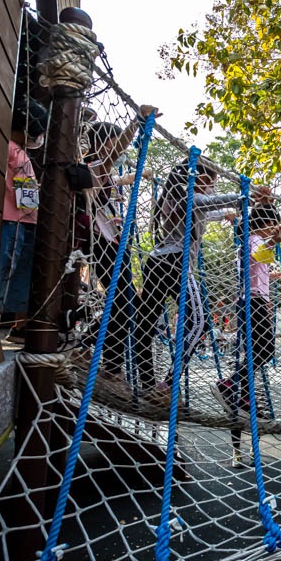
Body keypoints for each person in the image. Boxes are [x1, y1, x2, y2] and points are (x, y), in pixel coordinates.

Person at [133, 157, 244, 400]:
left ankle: (148, 383)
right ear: (201, 179)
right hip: (176, 263)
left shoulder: (174, 197)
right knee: (199, 323)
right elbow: (211, 201)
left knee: (145, 324)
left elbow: (211, 209)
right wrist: (246, 196)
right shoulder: (191, 198)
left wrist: (227, 214)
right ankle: (170, 382)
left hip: (156, 263)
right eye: (211, 181)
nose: (213, 186)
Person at [81, 106, 159, 396]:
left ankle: (96, 354)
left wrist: (135, 178)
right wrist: (136, 123)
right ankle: (107, 364)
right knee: (123, 305)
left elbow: (115, 180)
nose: (119, 151)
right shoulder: (95, 166)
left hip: (114, 243)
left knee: (125, 305)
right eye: (114, 144)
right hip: (103, 245)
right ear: (103, 144)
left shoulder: (103, 173)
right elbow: (113, 154)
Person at [210, 201, 281, 422]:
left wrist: (270, 278)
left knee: (253, 353)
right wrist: (274, 240)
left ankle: (244, 398)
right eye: (274, 224)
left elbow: (256, 265)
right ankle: (230, 384)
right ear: (267, 223)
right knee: (266, 351)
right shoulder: (254, 239)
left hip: (251, 302)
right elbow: (257, 256)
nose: (274, 229)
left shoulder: (251, 241)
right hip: (253, 303)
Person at [0, 96, 48, 343]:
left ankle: (18, 325)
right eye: (39, 132)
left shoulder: (19, 153)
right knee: (6, 269)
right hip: (12, 220)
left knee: (19, 273)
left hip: (25, 221)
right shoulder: (7, 149)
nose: (40, 139)